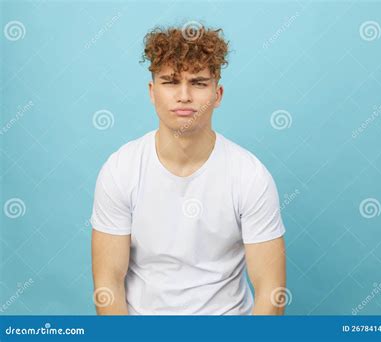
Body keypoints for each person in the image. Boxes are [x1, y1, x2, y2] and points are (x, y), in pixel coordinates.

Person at [90, 24, 286, 315]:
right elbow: (108, 283)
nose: (184, 95)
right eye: (170, 82)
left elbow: (270, 291)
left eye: (198, 83)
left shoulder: (250, 176)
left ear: (217, 94)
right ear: (152, 92)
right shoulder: (120, 170)